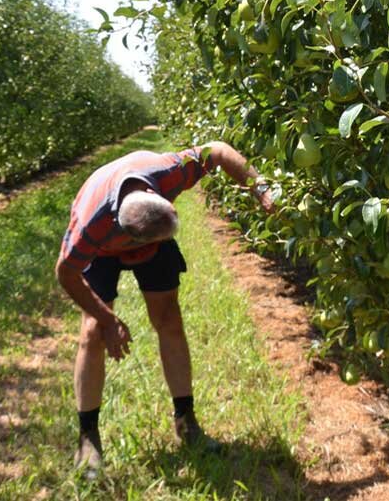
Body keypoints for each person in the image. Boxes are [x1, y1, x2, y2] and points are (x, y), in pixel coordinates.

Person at [54, 140, 274, 474]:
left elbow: (217, 150)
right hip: (103, 251)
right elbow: (66, 274)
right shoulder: (90, 225)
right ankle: (88, 437)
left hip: (147, 227)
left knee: (169, 319)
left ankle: (186, 422)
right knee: (92, 333)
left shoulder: (170, 172)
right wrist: (107, 317)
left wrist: (261, 188)